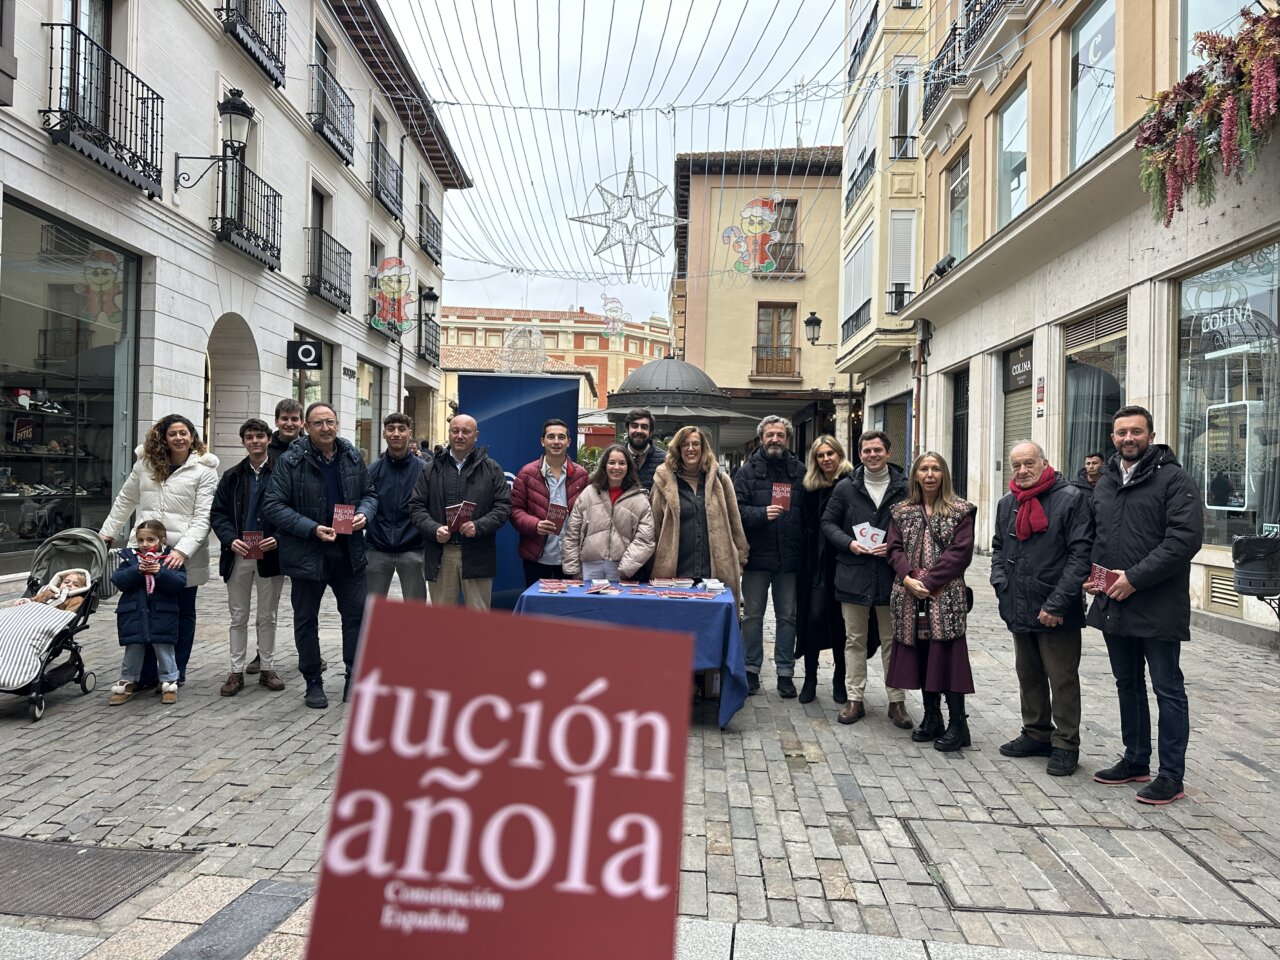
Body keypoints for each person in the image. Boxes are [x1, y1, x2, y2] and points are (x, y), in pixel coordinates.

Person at [1086, 405, 1203, 805]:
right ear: (1113, 437)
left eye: (1136, 431)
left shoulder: (1174, 479)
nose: (1128, 438)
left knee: (1167, 689)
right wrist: (1094, 576)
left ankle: (1172, 775)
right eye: (1121, 433)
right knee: (1127, 684)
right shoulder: (1104, 481)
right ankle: (1136, 759)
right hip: (1113, 602)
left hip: (1158, 603)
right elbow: (1098, 537)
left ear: (1151, 436)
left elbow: (1183, 540)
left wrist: (1133, 579)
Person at [263, 402, 378, 709]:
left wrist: (365, 514)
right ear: (307, 427)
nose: (325, 428)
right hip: (306, 553)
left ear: (338, 424)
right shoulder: (291, 460)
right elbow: (273, 506)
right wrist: (311, 528)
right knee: (306, 621)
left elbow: (370, 494)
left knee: (357, 617)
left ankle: (354, 678)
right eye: (318, 423)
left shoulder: (353, 456)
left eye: (330, 422)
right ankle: (313, 681)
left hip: (348, 552)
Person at [991, 441, 1094, 777]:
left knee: (1062, 678)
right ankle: (1036, 732)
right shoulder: (1007, 503)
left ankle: (1066, 743)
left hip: (1056, 609)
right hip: (1018, 604)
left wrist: (1057, 603)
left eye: (1029, 463)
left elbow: (1080, 556)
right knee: (1029, 674)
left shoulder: (1071, 499)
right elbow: (997, 549)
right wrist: (1000, 586)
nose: (1022, 471)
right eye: (1016, 465)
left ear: (1044, 463)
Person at [99, 414, 218, 688]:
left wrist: (183, 551)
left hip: (182, 553)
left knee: (182, 612)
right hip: (145, 548)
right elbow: (125, 500)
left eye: (184, 433)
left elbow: (203, 517)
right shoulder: (145, 465)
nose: (179, 438)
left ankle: (176, 671)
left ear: (192, 436)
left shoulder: (204, 470)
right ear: (163, 437)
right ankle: (147, 673)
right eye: (173, 433)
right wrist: (107, 532)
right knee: (145, 609)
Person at [885, 451, 976, 752]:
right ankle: (932, 717)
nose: (929, 474)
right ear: (915, 475)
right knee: (923, 656)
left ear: (944, 474)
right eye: (923, 469)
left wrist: (929, 581)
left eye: (935, 468)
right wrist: (908, 576)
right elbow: (894, 548)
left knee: (946, 658)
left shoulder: (960, 510)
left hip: (945, 597)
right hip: (909, 597)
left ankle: (958, 725)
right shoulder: (901, 511)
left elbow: (960, 554)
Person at [821, 431, 913, 728]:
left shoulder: (905, 487)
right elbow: (828, 523)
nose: (872, 455)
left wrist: (898, 546)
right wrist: (849, 543)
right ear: (859, 455)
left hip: (891, 575)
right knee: (854, 640)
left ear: (888, 452)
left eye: (877, 450)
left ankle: (896, 702)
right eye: (866, 451)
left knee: (892, 641)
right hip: (853, 572)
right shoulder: (846, 488)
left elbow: (916, 525)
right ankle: (854, 699)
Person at [209, 418, 285, 697]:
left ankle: (267, 668)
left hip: (270, 554)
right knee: (238, 615)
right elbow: (218, 513)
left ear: (268, 440)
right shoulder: (231, 476)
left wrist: (278, 537)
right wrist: (230, 539)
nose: (255, 441)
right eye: (250, 437)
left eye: (260, 436)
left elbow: (291, 510)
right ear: (243, 442)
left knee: (268, 615)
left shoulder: (282, 473)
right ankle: (235, 671)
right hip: (238, 553)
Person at [733, 416, 805, 697]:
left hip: (789, 557)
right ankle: (750, 669)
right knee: (752, 616)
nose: (775, 439)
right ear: (761, 438)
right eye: (770, 435)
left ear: (787, 439)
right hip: (757, 557)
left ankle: (785, 672)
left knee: (788, 617)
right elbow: (736, 510)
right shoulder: (746, 472)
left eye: (780, 435)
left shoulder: (799, 471)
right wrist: (761, 514)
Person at [409, 414, 511, 609]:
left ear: (476, 436)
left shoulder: (492, 469)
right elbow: (416, 506)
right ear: (449, 434)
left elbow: (503, 506)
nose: (460, 436)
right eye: (455, 431)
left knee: (478, 620)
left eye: (466, 431)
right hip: (441, 554)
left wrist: (479, 526)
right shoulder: (431, 468)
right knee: (442, 622)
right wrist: (434, 528)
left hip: (478, 553)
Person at [650, 425, 748, 604]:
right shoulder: (663, 482)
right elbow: (654, 524)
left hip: (714, 572)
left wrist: (741, 557)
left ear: (703, 448)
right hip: (675, 572)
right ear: (678, 449)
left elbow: (735, 521)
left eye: (695, 444)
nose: (691, 449)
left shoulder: (720, 479)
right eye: (685, 444)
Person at [795, 436, 852, 705]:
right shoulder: (809, 487)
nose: (826, 459)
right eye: (820, 455)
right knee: (812, 619)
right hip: (813, 565)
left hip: (842, 562)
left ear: (840, 455)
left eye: (831, 453)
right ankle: (809, 679)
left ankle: (840, 678)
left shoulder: (851, 484)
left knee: (841, 624)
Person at [107, 520, 186, 706]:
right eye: (141, 539)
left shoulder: (169, 559)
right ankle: (128, 680)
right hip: (134, 613)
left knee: (163, 647)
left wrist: (161, 572)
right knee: (133, 647)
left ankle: (169, 681)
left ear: (162, 539)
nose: (145, 544)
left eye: (150, 539)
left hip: (163, 613)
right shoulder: (130, 558)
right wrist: (136, 570)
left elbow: (179, 583)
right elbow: (118, 580)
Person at [510, 419, 590, 585]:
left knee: (568, 608)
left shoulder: (581, 475)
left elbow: (589, 513)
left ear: (569, 442)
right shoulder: (527, 473)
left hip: (571, 557)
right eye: (551, 437)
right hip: (537, 556)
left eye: (561, 437)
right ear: (542, 441)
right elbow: (514, 510)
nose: (556, 442)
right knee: (536, 607)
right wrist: (535, 525)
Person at [562, 444, 655, 580]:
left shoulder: (640, 499)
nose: (616, 467)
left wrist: (626, 568)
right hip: (588, 567)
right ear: (604, 466)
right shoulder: (588, 493)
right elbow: (572, 534)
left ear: (628, 466)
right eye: (612, 463)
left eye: (622, 463)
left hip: (621, 570)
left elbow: (646, 539)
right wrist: (574, 569)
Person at [365, 412, 428, 601]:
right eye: (391, 429)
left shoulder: (425, 470)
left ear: (410, 433)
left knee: (415, 612)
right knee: (372, 610)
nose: (396, 433)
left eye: (402, 429)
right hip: (377, 548)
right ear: (384, 433)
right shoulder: (371, 471)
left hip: (413, 549)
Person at [624, 409, 663, 490]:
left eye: (644, 427)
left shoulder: (664, 460)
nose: (639, 431)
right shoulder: (616, 458)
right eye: (634, 426)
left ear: (650, 431)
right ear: (627, 429)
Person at [14, 571, 88, 612]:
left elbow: (69, 614)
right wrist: (26, 600)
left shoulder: (77, 599)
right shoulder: (49, 591)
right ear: (60, 584)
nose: (69, 585)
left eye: (76, 585)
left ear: (82, 588)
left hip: (51, 617)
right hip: (35, 612)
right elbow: (35, 599)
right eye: (66, 582)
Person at [268, 398, 304, 462]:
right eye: (284, 419)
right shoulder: (266, 447)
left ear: (301, 423)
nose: (289, 424)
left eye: (294, 419)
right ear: (276, 422)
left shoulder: (312, 447)